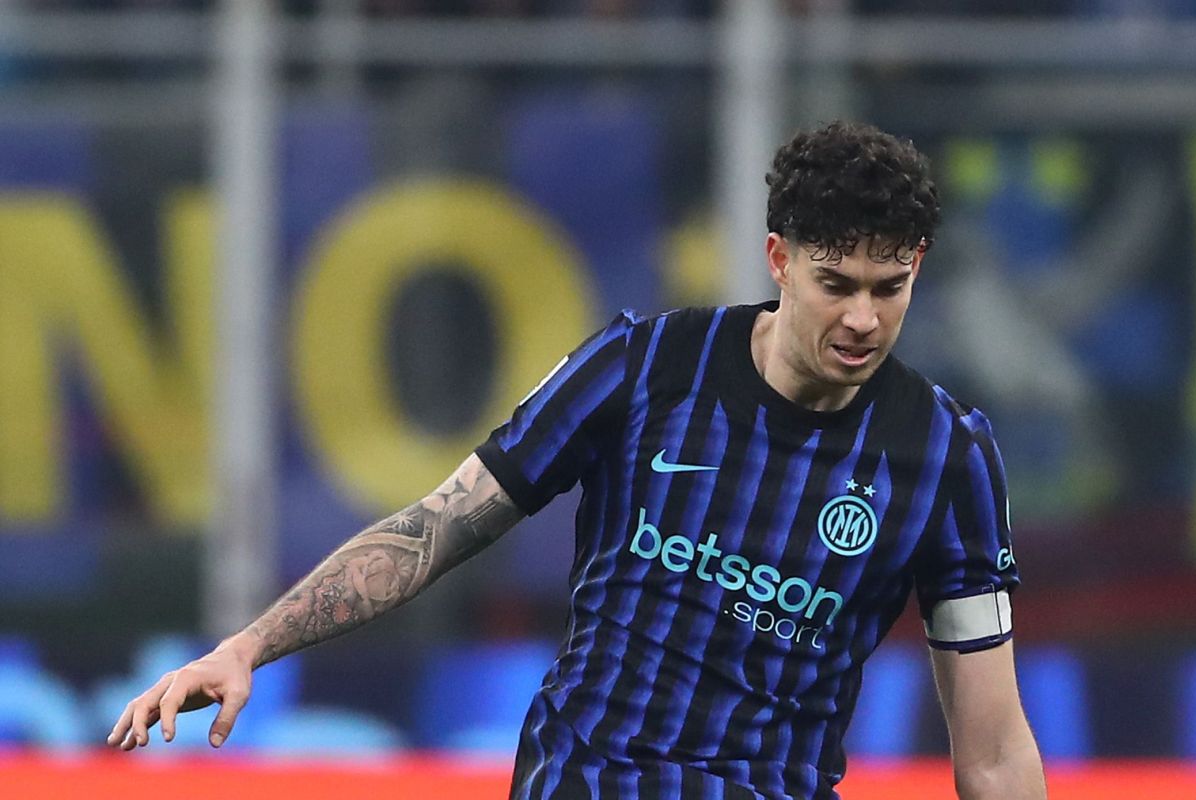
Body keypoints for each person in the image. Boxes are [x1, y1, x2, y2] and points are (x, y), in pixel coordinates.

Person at [109, 120, 1046, 799]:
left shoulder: (945, 456)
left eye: (889, 287)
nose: (862, 319)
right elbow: (436, 528)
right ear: (778, 258)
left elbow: (994, 748)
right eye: (834, 284)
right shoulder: (643, 368)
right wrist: (248, 647)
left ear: (918, 268)